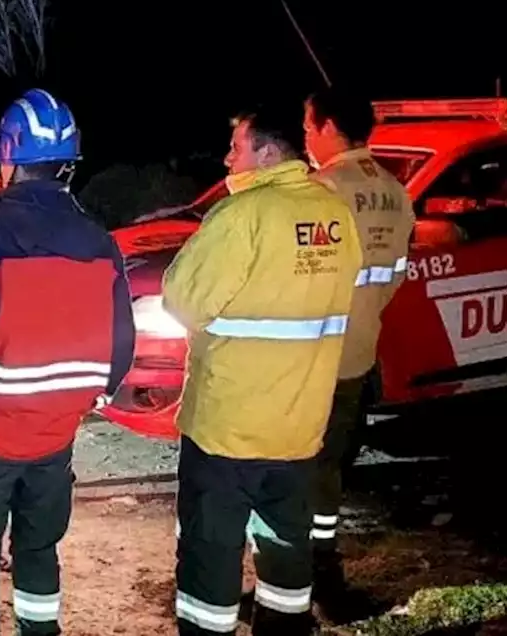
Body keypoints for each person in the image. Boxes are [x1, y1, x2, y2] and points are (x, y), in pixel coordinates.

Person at [0, 89, 136, 636]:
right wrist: (97, 395)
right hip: (56, 436)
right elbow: (121, 340)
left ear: (9, 156)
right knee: (40, 549)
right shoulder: (97, 238)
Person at [163, 106, 363, 635]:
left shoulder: (241, 215)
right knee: (286, 552)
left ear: (268, 153)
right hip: (300, 429)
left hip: (228, 428)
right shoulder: (335, 214)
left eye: (237, 146)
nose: (228, 157)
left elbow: (182, 299)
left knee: (210, 553)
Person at [303, 89, 414, 620]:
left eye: (307, 127)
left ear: (328, 127)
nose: (305, 137)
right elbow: (392, 278)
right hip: (358, 353)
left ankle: (306, 579)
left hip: (312, 358)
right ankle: (321, 569)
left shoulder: (322, 191)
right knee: (332, 470)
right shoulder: (395, 190)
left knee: (300, 473)